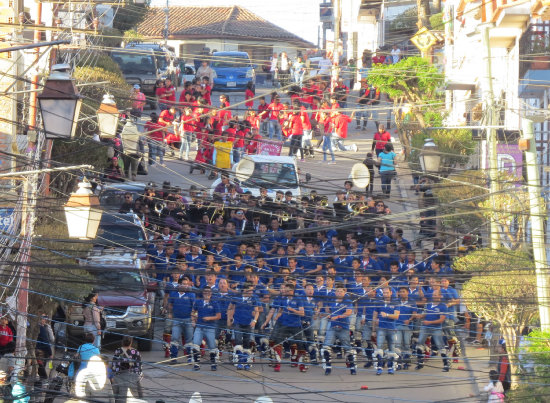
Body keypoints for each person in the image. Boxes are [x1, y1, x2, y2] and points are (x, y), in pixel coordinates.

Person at [321, 283, 356, 376]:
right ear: (335, 292)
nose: (339, 293)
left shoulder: (347, 301)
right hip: (332, 327)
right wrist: (328, 314)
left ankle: (352, 367)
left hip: (343, 328)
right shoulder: (332, 300)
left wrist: (337, 316)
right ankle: (328, 367)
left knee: (348, 348)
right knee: (326, 348)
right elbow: (328, 310)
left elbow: (348, 312)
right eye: (338, 291)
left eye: (341, 291)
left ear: (344, 292)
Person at [415, 289, 450, 372]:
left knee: (440, 345)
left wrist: (429, 322)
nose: (434, 296)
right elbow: (425, 314)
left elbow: (441, 320)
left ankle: (446, 364)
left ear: (440, 296)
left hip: (436, 328)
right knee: (419, 343)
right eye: (433, 295)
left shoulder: (443, 306)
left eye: (436, 295)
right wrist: (420, 316)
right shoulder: (428, 305)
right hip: (425, 327)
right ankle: (420, 362)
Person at [227, 282, 260, 370]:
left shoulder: (253, 299)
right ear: (245, 290)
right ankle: (240, 362)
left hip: (248, 324)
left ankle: (246, 362)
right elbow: (230, 307)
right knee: (238, 341)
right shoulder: (236, 297)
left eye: (252, 291)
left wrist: (255, 320)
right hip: (238, 323)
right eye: (250, 290)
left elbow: (257, 311)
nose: (251, 292)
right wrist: (230, 318)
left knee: (247, 343)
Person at [190, 286, 221, 371]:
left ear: (211, 293)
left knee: (212, 347)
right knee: (195, 344)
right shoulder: (198, 302)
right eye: (205, 292)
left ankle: (213, 364)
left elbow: (218, 316)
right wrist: (193, 320)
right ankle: (196, 364)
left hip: (210, 328)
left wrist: (209, 318)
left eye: (208, 292)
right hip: (199, 327)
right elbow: (193, 311)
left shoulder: (215, 303)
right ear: (203, 293)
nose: (207, 294)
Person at [168, 276, 196, 364]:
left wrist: (193, 318)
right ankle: (173, 357)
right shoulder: (173, 294)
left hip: (188, 320)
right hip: (176, 319)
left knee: (189, 339)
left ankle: (190, 358)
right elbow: (170, 304)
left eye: (187, 284)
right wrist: (170, 313)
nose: (185, 286)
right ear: (179, 285)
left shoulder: (191, 295)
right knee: (174, 338)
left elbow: (194, 307)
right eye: (184, 284)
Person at [372, 287, 400, 375]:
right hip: (381, 329)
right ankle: (379, 367)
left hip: (391, 329)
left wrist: (387, 315)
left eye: (387, 293)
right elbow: (374, 317)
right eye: (384, 293)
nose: (385, 294)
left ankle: (390, 367)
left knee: (391, 349)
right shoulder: (379, 302)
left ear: (391, 293)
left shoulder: (395, 302)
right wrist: (373, 330)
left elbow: (396, 316)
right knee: (379, 349)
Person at [111, 336, 143, 402]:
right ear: (131, 343)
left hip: (119, 375)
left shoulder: (118, 351)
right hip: (133, 376)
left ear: (122, 342)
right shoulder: (136, 352)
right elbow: (139, 365)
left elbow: (114, 364)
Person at [120, 115, 143, 181]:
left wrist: (121, 151)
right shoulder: (135, 131)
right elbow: (140, 143)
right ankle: (133, 175)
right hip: (135, 152)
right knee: (134, 164)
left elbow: (122, 142)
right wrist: (141, 151)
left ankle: (128, 174)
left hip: (126, 151)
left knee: (126, 164)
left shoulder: (124, 131)